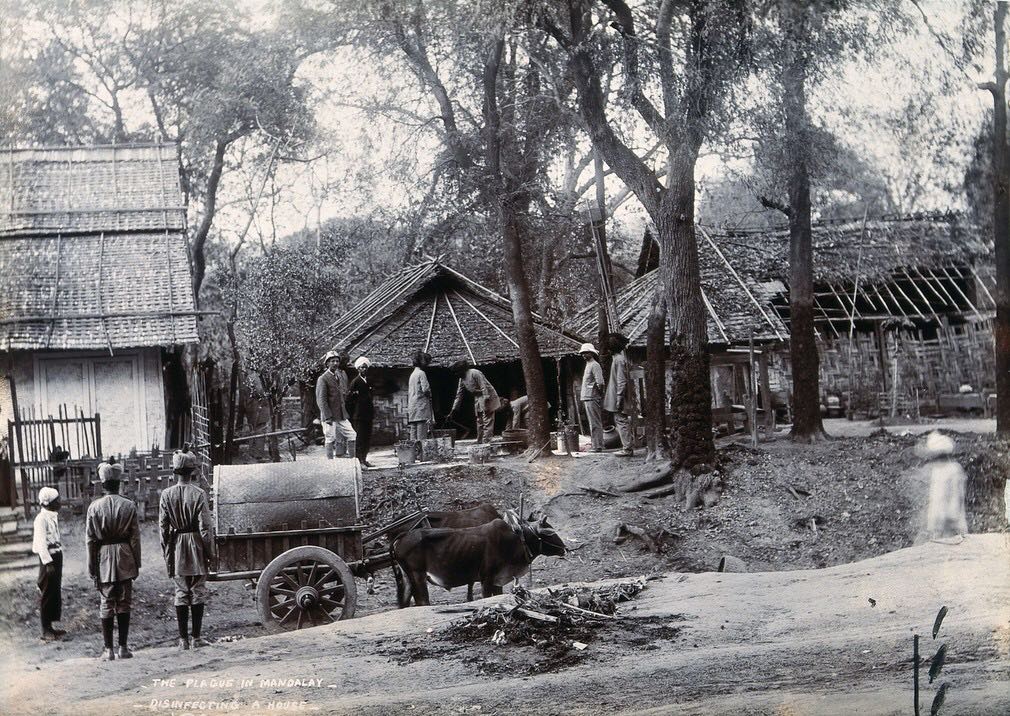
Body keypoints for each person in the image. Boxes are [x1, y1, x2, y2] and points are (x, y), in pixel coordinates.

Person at [86, 457, 141, 660]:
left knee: (106, 601)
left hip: (104, 559)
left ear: (103, 484)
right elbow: (135, 538)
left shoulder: (94, 508)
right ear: (119, 483)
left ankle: (108, 650)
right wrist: (137, 563)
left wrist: (92, 567)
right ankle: (123, 647)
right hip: (125, 556)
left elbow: (90, 540)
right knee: (124, 602)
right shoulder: (128, 505)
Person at [159, 449, 213, 650]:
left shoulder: (166, 494)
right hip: (196, 544)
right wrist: (209, 551)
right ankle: (196, 638)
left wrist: (167, 549)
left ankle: (182, 640)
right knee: (198, 590)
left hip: (176, 546)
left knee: (181, 591)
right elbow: (205, 527)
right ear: (193, 472)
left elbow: (162, 527)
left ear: (175, 472)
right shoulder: (199, 494)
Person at [920, 431, 969, 539]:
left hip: (951, 518)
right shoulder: (936, 471)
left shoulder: (954, 469)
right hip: (938, 518)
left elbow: (957, 494)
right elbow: (935, 497)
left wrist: (952, 516)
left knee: (952, 543)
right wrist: (933, 520)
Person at [32, 486, 65, 641]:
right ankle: (45, 629)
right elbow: (40, 543)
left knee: (54, 590)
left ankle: (51, 626)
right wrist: (48, 562)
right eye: (57, 500)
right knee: (47, 591)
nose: (59, 502)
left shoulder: (52, 516)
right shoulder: (41, 519)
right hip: (48, 559)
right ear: (50, 502)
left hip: (56, 556)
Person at [316, 350, 356, 460]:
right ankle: (330, 464)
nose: (335, 363)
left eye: (337, 361)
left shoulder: (338, 376)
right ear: (327, 363)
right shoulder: (323, 379)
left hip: (341, 414)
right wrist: (327, 416)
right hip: (330, 416)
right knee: (330, 438)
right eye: (332, 361)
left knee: (352, 434)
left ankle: (352, 463)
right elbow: (321, 400)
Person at [449, 360, 500, 443]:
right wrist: (454, 409)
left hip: (487, 396)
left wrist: (486, 399)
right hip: (478, 397)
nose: (456, 374)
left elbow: (483, 386)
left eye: (457, 372)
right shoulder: (462, 379)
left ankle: (487, 441)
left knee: (487, 420)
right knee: (479, 420)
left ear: (462, 370)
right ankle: (480, 441)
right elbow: (459, 394)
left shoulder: (475, 373)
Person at [603, 333, 636, 457]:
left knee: (621, 421)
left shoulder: (619, 360)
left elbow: (621, 381)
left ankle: (627, 448)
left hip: (620, 396)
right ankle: (627, 446)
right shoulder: (618, 359)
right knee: (620, 420)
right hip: (619, 395)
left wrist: (619, 398)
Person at [348, 356, 375, 467]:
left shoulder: (368, 381)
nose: (364, 369)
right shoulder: (355, 382)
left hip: (368, 414)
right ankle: (359, 461)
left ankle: (364, 458)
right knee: (359, 438)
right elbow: (349, 400)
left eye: (365, 367)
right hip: (359, 415)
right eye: (362, 367)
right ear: (358, 369)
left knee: (367, 438)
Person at [579, 343, 606, 452]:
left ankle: (598, 445)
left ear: (591, 353)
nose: (583, 355)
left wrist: (598, 394)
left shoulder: (595, 365)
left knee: (595, 422)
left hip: (592, 397)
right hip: (587, 397)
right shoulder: (588, 365)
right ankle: (596, 444)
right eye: (582, 353)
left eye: (585, 353)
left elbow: (600, 382)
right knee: (592, 422)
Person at [407, 350, 434, 441]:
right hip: (421, 408)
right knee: (421, 436)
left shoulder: (412, 374)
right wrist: (430, 395)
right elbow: (425, 389)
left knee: (413, 435)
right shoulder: (421, 373)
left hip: (413, 408)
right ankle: (421, 454)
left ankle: (414, 454)